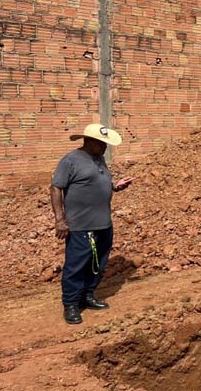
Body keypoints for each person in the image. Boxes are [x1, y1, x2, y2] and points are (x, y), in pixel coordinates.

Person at [50, 124, 135, 324]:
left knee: (97, 264)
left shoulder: (100, 159)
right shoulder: (71, 160)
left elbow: (96, 183)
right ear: (88, 141)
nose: (105, 147)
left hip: (104, 223)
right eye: (101, 143)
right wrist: (60, 220)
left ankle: (87, 296)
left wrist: (115, 186)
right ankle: (71, 304)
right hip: (81, 225)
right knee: (76, 265)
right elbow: (56, 188)